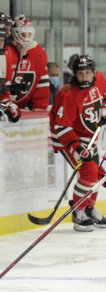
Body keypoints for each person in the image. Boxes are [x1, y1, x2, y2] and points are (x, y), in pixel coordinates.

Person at [50, 55, 106, 232]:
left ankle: (89, 208)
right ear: (74, 74)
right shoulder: (67, 94)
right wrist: (77, 147)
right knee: (89, 172)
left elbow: (104, 95)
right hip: (67, 138)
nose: (84, 77)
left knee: (97, 173)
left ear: (93, 72)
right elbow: (62, 126)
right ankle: (78, 211)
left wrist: (103, 110)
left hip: (89, 136)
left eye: (88, 73)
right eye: (80, 74)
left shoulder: (100, 79)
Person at [6, 14, 50, 111]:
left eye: (28, 34)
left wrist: (39, 105)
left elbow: (42, 82)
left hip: (22, 109)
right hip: (0, 107)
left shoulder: (38, 54)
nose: (25, 38)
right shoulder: (5, 51)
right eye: (22, 34)